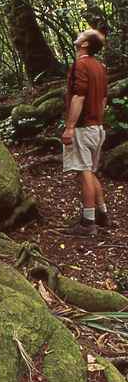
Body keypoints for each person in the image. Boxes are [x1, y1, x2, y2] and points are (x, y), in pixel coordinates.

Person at [61, 28, 108, 237]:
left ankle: (88, 222)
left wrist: (70, 127)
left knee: (84, 172)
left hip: (84, 127)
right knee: (90, 170)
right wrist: (98, 121)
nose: (79, 34)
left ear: (86, 44)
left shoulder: (80, 64)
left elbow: (79, 96)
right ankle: (101, 213)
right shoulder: (100, 66)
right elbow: (104, 98)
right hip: (97, 127)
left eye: (83, 34)